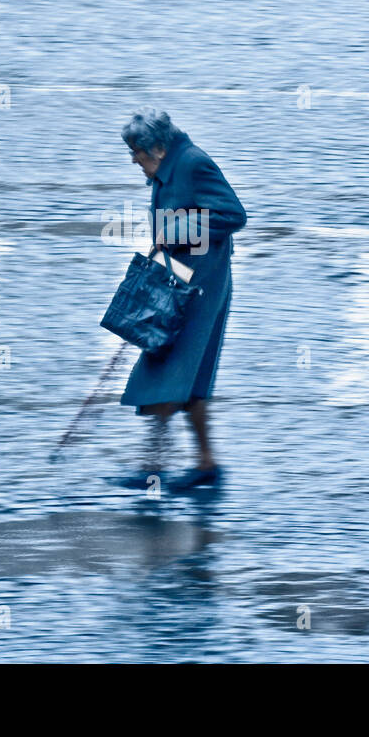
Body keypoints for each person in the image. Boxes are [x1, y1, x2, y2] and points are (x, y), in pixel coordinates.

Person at [116, 108, 246, 491]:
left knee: (172, 371)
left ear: (157, 147)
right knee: (186, 376)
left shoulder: (192, 164)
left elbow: (232, 215)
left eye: (137, 152)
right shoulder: (164, 170)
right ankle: (204, 464)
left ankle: (152, 467)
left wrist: (175, 231)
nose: (134, 160)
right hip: (177, 284)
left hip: (200, 290)